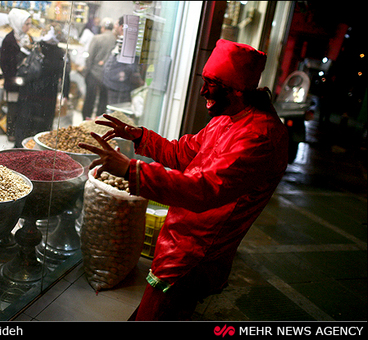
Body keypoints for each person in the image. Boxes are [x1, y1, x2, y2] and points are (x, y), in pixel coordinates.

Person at [79, 39, 289, 321]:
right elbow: (184, 153)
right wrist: (139, 136)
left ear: (237, 89)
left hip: (198, 252)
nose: (203, 91)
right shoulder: (228, 117)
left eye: (211, 83)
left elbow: (204, 189)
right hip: (181, 237)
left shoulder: (259, 137)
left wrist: (131, 170)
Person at [13, 26, 70, 148]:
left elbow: (20, 62)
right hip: (48, 94)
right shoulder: (61, 53)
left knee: (25, 121)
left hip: (30, 91)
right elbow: (66, 75)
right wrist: (65, 94)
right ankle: (38, 148)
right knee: (43, 124)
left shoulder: (36, 47)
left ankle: (20, 146)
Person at [0, 8, 33, 143]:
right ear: (18, 24)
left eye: (30, 24)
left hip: (24, 81)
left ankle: (19, 131)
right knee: (12, 108)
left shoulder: (28, 38)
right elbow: (5, 63)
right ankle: (10, 132)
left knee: (21, 108)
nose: (29, 27)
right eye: (27, 24)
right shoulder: (9, 40)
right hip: (12, 80)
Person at [103, 17, 144, 105]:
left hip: (119, 88)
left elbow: (130, 68)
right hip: (114, 85)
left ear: (121, 27)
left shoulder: (128, 44)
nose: (115, 26)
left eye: (116, 24)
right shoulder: (121, 41)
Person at [80, 18, 116, 120]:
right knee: (103, 100)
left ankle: (86, 119)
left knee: (90, 98)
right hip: (107, 77)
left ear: (103, 28)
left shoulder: (97, 38)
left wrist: (86, 71)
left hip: (94, 74)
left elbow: (90, 57)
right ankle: (99, 120)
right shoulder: (115, 40)